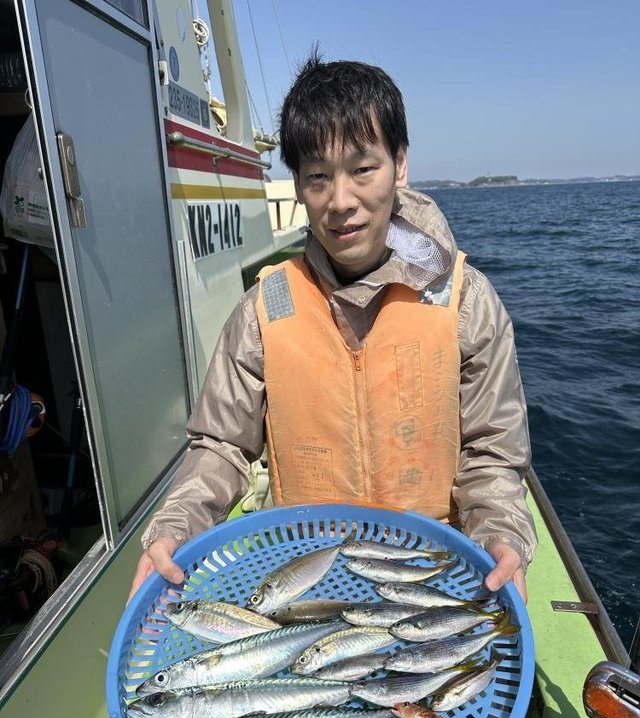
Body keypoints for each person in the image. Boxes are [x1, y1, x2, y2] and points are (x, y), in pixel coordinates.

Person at [132, 53, 537, 606]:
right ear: (297, 185)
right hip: (307, 578)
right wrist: (175, 526)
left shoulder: (466, 301)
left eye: (363, 169)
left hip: (432, 576)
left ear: (400, 164)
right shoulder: (263, 309)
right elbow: (222, 445)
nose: (341, 201)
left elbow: (493, 451)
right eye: (318, 176)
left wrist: (499, 532)